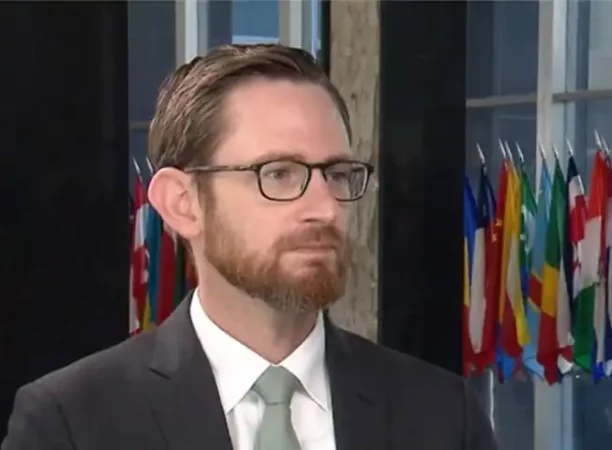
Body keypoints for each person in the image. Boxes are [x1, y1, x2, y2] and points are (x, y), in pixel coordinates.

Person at [2, 44, 497, 450]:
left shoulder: (443, 416)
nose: (325, 208)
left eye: (336, 174)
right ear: (182, 204)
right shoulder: (71, 423)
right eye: (278, 174)